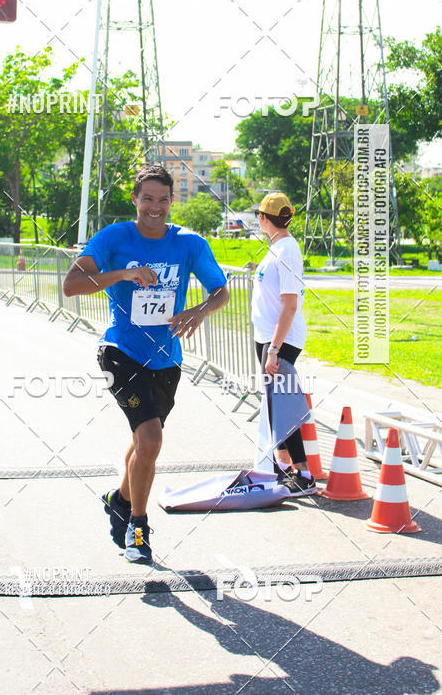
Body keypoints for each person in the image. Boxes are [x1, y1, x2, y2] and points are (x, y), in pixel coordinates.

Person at [63, 164, 229, 564]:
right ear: (135, 199)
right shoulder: (114, 237)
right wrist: (123, 273)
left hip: (166, 359)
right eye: (148, 199)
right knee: (151, 439)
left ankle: (120, 499)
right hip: (121, 353)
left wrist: (199, 311)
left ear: (172, 201)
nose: (155, 207)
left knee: (143, 443)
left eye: (163, 200)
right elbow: (71, 285)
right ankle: (138, 527)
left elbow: (221, 292)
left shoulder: (189, 243)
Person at [251, 192, 316, 497]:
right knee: (276, 407)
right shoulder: (277, 247)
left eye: (259, 215)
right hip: (268, 336)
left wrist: (275, 349)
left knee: (284, 407)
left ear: (265, 218)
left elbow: (290, 305)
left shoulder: (287, 250)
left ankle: (304, 474)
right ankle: (284, 467)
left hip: (281, 339)